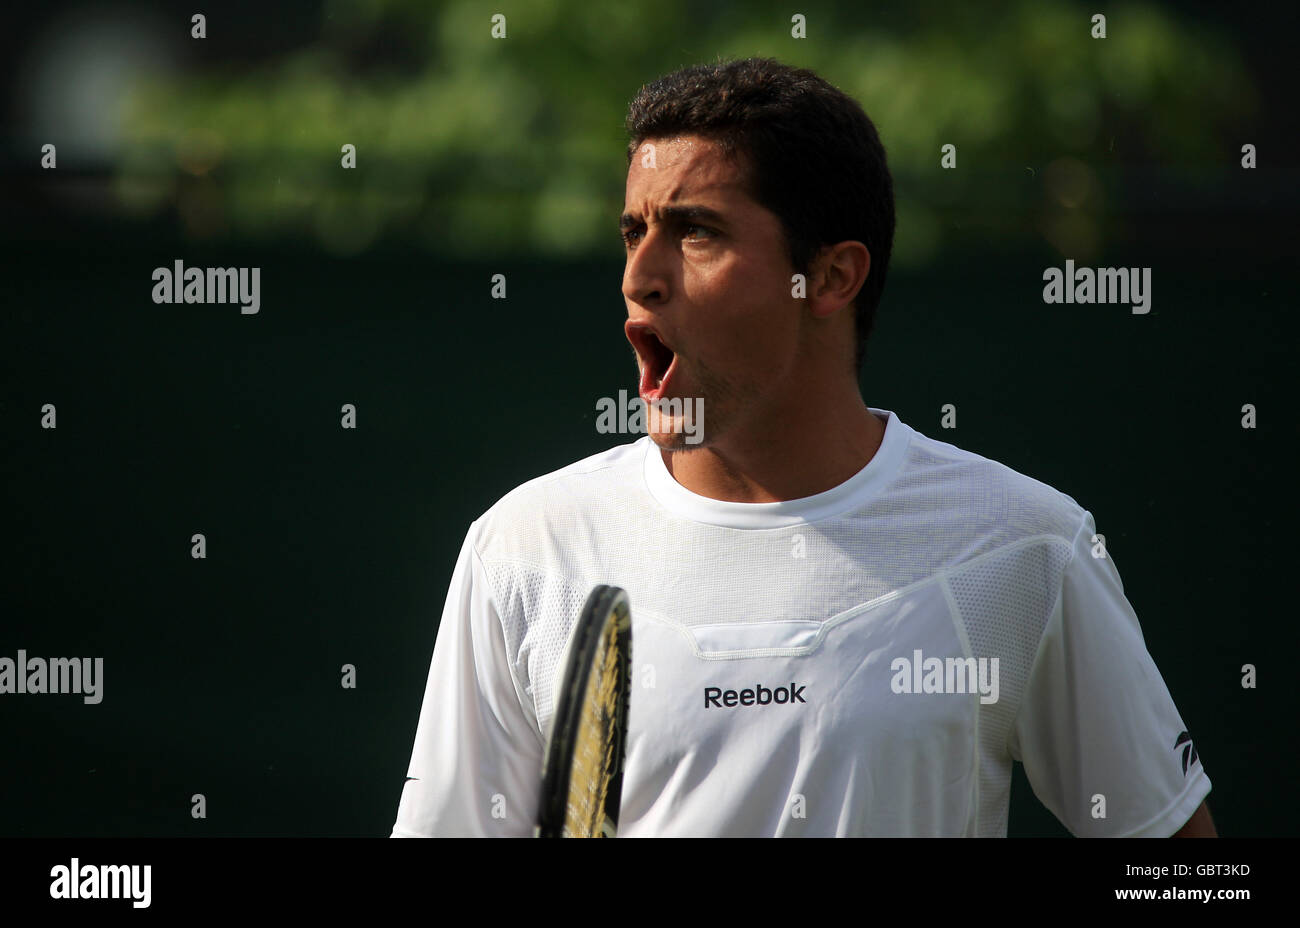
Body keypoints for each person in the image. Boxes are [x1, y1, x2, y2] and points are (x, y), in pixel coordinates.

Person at [391, 57, 1215, 837]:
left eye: (695, 232)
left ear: (830, 278)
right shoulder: (526, 548)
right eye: (632, 230)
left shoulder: (1028, 548)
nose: (638, 274)